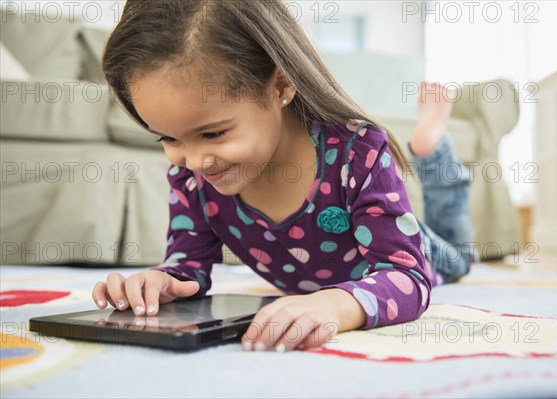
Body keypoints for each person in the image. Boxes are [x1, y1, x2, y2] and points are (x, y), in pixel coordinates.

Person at [92, 0, 476, 352]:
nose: (194, 161)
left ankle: (432, 149)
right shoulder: (193, 175)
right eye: (168, 137)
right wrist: (163, 282)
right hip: (342, 264)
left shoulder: (357, 152)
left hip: (412, 247)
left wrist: (334, 304)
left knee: (459, 256)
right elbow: (187, 267)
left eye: (213, 134)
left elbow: (407, 277)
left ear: (280, 85)